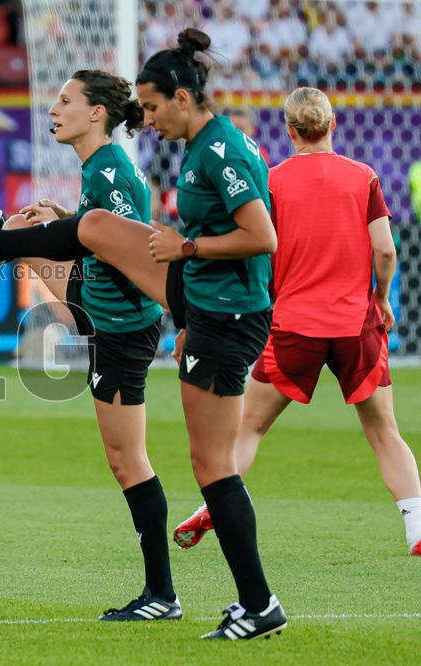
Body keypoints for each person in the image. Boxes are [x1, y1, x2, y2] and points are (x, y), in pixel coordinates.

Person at [0, 29, 286, 640]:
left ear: (182, 97)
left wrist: (188, 250)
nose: (144, 120)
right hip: (208, 310)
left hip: (207, 314)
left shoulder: (215, 152)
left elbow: (262, 236)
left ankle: (251, 603)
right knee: (88, 228)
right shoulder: (215, 146)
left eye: (151, 108)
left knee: (211, 467)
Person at [0, 69, 180, 621]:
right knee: (33, 233)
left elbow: (129, 250)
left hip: (119, 324)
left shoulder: (112, 170)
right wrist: (65, 225)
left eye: (65, 100)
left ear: (96, 112)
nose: (54, 109)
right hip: (102, 305)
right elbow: (103, 236)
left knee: (128, 461)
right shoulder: (101, 168)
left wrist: (72, 233)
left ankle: (162, 595)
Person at [173, 87, 421, 557]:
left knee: (248, 428)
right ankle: (416, 525)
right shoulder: (362, 176)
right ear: (333, 125)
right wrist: (383, 297)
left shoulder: (272, 181)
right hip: (355, 325)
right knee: (384, 432)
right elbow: (386, 249)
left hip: (294, 326)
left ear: (289, 131)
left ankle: (214, 505)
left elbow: (257, 244)